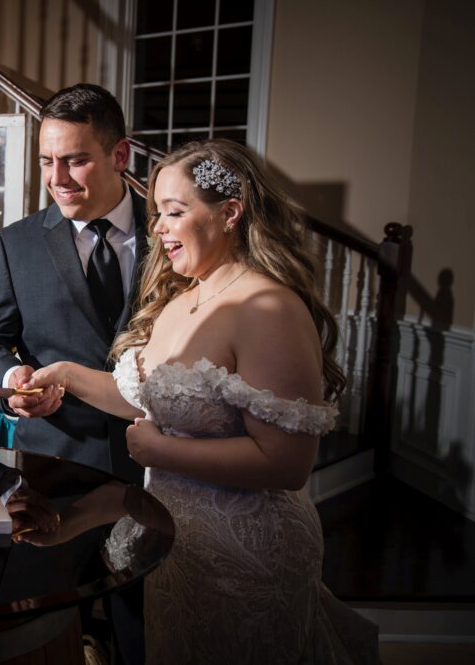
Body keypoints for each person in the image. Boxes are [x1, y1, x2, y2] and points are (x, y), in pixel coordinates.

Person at [23, 138, 380, 663]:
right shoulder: (181, 297)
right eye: (156, 214)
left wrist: (159, 452)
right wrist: (68, 376)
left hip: (248, 552)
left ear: (230, 212)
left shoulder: (266, 306)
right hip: (175, 544)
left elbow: (286, 463)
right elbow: (144, 399)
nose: (159, 228)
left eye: (174, 212)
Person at [0, 83, 148, 664]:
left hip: (160, 469)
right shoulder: (16, 243)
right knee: (35, 638)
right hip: (51, 474)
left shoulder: (173, 237)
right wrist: (15, 378)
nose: (58, 178)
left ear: (120, 155)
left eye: (76, 159)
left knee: (144, 634)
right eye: (47, 160)